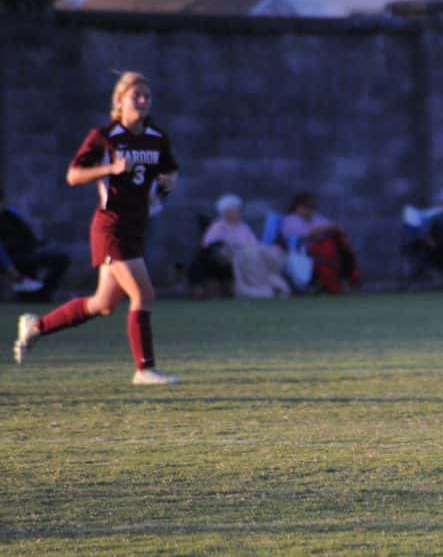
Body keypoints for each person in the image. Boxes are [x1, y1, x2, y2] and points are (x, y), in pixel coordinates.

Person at [12, 71, 180, 385]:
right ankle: (144, 369)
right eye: (136, 95)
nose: (143, 100)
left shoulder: (157, 136)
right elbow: (73, 175)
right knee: (143, 293)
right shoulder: (104, 136)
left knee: (103, 304)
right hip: (111, 226)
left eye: (147, 96)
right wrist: (111, 168)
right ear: (120, 100)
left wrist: (168, 181)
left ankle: (36, 327)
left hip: (135, 226)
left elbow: (170, 172)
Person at [199, 194, 289, 299]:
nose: (238, 212)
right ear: (226, 212)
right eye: (236, 210)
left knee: (263, 253)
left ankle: (269, 286)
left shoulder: (244, 227)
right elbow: (209, 246)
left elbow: (254, 244)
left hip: (248, 256)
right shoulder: (217, 227)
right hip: (229, 257)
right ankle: (255, 288)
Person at [281, 191, 360, 294]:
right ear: (298, 207)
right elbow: (305, 233)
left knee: (339, 243)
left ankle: (350, 279)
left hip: (329, 249)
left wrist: (333, 229)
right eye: (306, 206)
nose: (308, 210)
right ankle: (333, 285)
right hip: (303, 253)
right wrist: (323, 229)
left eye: (311, 207)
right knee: (327, 248)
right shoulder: (290, 220)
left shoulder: (317, 218)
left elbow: (335, 227)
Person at [0, 190, 71, 301]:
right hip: (10, 259)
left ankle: (42, 292)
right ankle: (28, 288)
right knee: (26, 264)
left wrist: (36, 243)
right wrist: (12, 270)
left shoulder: (10, 216)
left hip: (25, 253)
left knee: (61, 260)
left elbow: (26, 234)